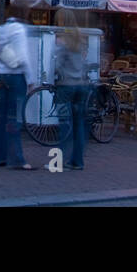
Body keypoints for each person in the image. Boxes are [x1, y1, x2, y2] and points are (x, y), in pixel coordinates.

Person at [0, 15, 36, 170]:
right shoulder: (19, 30)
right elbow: (23, 57)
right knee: (14, 117)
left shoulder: (0, 29)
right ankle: (16, 158)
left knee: (0, 117)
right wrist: (30, 80)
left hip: (2, 74)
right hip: (16, 76)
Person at [51, 27, 89, 170]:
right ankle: (77, 161)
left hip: (66, 87)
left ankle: (60, 161)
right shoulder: (81, 47)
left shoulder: (64, 48)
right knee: (78, 125)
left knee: (65, 124)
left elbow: (56, 66)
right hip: (80, 87)